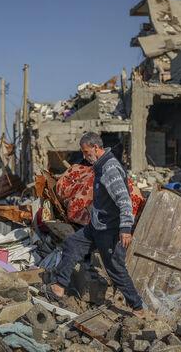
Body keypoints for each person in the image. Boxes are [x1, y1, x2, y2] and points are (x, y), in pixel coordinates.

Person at [46, 132, 146, 316]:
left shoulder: (110, 169)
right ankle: (59, 287)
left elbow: (124, 200)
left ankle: (138, 307)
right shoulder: (100, 166)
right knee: (72, 244)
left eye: (86, 152)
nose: (84, 156)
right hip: (97, 226)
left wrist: (125, 229)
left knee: (115, 268)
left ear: (95, 148)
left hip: (110, 230)